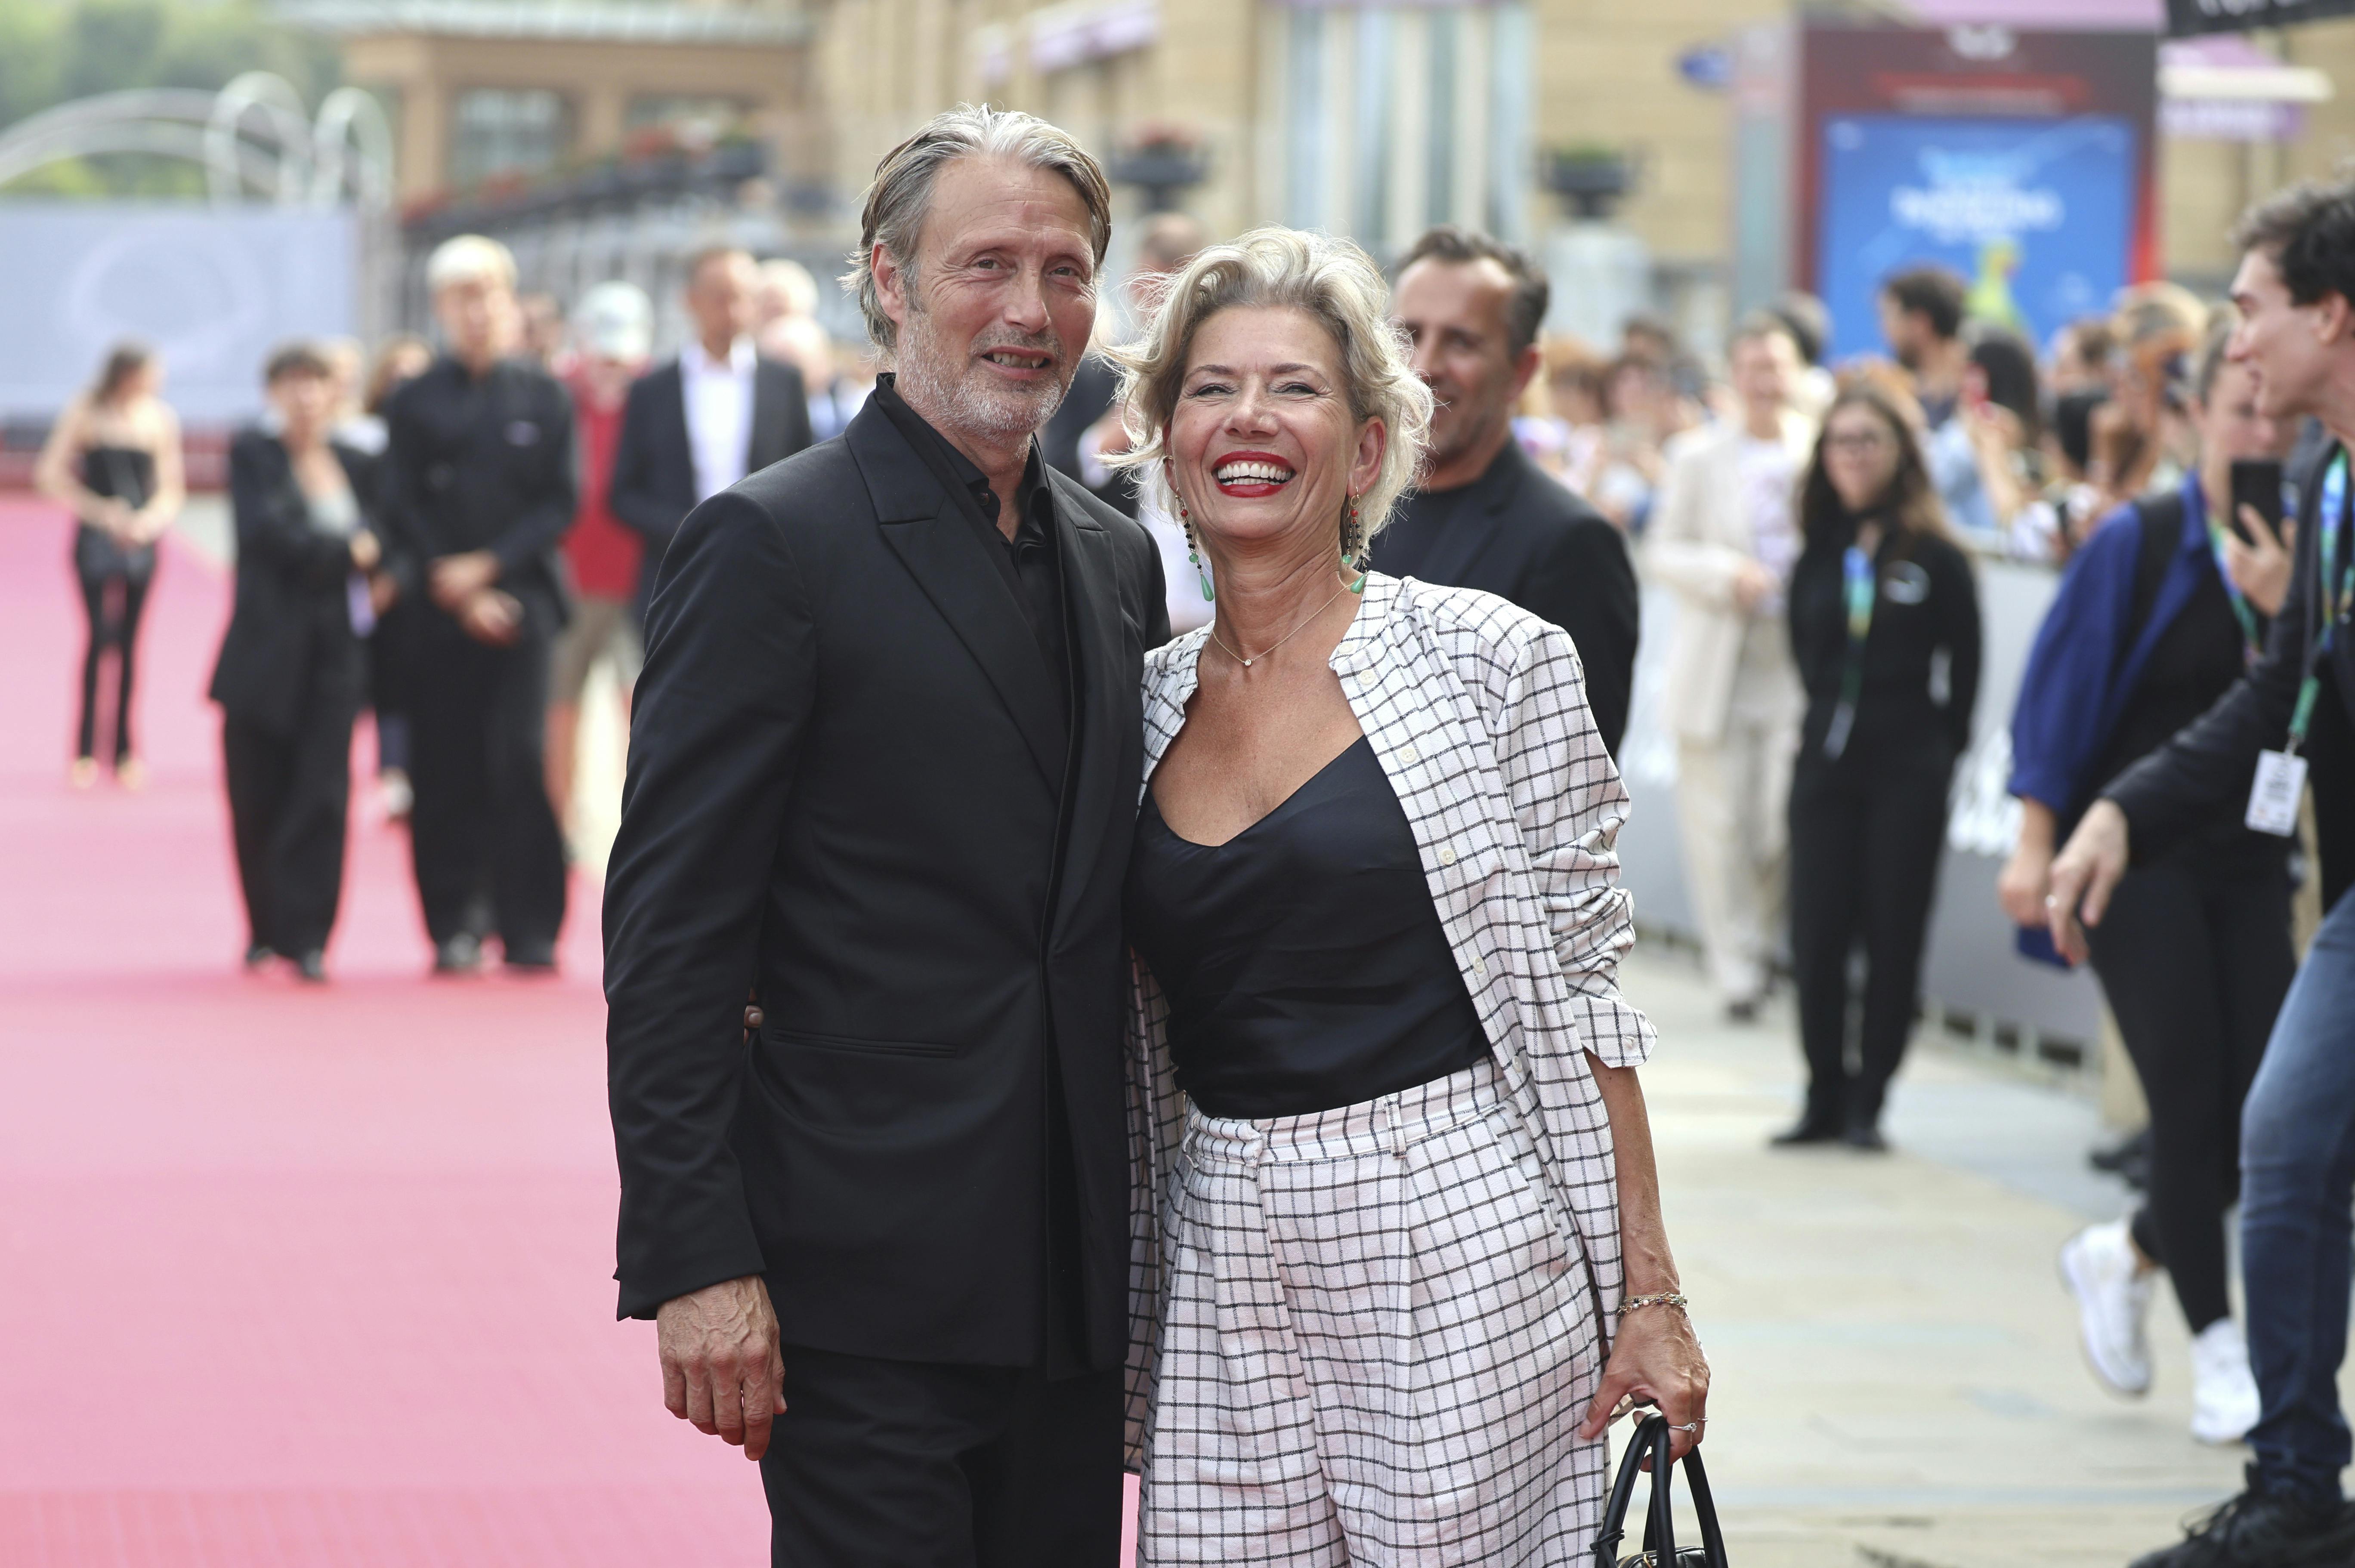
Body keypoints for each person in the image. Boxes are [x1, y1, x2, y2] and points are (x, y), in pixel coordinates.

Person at [603, 108, 1168, 1567]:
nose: (1032, 312)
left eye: (1066, 271)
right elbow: (670, 936)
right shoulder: (771, 544)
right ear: (890, 282)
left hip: (1071, 1270)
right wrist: (697, 1255)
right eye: (987, 265)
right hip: (857, 1270)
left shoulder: (1115, 559)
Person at [1108, 226, 1706, 1560]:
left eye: (1296, 386)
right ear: (1164, 439)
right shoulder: (1135, 700)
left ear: (1370, 450)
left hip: (1456, 1216)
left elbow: (1588, 993)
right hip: (1221, 1230)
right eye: (1210, 387)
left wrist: (1652, 1292)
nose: (1248, 417)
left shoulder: (1493, 659)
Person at [2050, 175, 2355, 1568]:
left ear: (2331, 316)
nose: (2235, 346)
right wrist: (2116, 807)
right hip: (2335, 894)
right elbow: (2273, 690)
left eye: (2251, 310)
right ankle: (2295, 1484)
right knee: (2279, 1146)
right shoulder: (2321, 477)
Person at [2001, 311, 2294, 1448]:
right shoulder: (2147, 538)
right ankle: (2218, 1343)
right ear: (2194, 415)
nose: (2264, 433)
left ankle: (2121, 1251)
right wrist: (2036, 843)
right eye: (2242, 411)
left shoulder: (2313, 549)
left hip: (2255, 857)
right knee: (2187, 1093)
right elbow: (2057, 698)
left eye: (2283, 415)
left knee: (2260, 1111)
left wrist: (2286, 614)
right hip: (2126, 857)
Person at [1777, 383, 1981, 1151]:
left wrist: (1936, 751)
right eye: (1839, 442)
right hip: (1824, 764)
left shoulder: (1936, 554)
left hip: (1907, 770)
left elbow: (1964, 669)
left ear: (1900, 454)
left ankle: (1871, 1097)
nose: (1852, 456)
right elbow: (1805, 650)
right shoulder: (1819, 549)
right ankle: (1821, 1090)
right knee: (1816, 932)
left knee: (1892, 933)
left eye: (1868, 441)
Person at [377, 235, 577, 975]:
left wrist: (490, 569)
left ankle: (531, 925)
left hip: (524, 605)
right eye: (463, 296)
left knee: (521, 760)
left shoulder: (544, 393)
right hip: (438, 610)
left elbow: (561, 501)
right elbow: (399, 504)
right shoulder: (414, 398)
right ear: (439, 308)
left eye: (490, 292)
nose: (479, 310)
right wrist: (456, 585)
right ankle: (452, 923)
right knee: (446, 765)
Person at [1377, 226, 1641, 756]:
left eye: (1462, 341)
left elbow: (1569, 791)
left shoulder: (1571, 545)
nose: (1425, 365)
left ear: (1521, 372)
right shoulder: (1341, 511)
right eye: (1408, 335)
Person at [1648, 315, 1817, 1019]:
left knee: (1778, 820)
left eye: (1775, 366)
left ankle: (1765, 942)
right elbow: (1662, 551)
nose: (1764, 381)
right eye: (1752, 366)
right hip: (1719, 660)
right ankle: (1737, 969)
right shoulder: (1697, 456)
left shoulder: (1818, 450)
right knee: (1717, 827)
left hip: (1795, 661)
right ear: (1734, 373)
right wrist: (1726, 573)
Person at [208, 344, 384, 982]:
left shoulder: (361, 462)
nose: (307, 396)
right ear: (273, 393)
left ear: (337, 393)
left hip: (337, 650)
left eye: (318, 384)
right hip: (263, 650)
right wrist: (346, 552)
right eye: (293, 383)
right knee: (257, 791)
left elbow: (389, 534)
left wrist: (359, 554)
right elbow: (267, 534)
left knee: (324, 792)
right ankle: (264, 926)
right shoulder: (254, 455)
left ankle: (310, 935)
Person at [607, 245, 814, 618]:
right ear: (690, 300)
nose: (733, 311)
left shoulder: (784, 384)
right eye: (721, 297)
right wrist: (686, 529)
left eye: (743, 297)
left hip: (767, 582)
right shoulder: (652, 390)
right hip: (674, 583)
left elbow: (809, 480)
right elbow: (623, 495)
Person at [36, 343, 185, 791]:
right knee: (99, 637)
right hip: (97, 536)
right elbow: (50, 474)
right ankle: (83, 749)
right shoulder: (87, 411)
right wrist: (103, 514)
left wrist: (148, 522)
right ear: (127, 373)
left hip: (140, 539)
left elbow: (171, 485)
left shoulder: (159, 418)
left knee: (131, 644)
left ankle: (124, 749)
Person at [546, 281, 653, 828]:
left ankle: (637, 825)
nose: (612, 366)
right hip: (570, 579)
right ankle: (558, 823)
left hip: (640, 580)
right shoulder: (556, 392)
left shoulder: (656, 389)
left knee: (640, 705)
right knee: (559, 703)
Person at [357, 333, 434, 823]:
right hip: (378, 583)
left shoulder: (443, 438)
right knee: (388, 681)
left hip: (430, 578)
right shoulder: (362, 440)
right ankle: (393, 776)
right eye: (397, 374)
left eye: (416, 375)